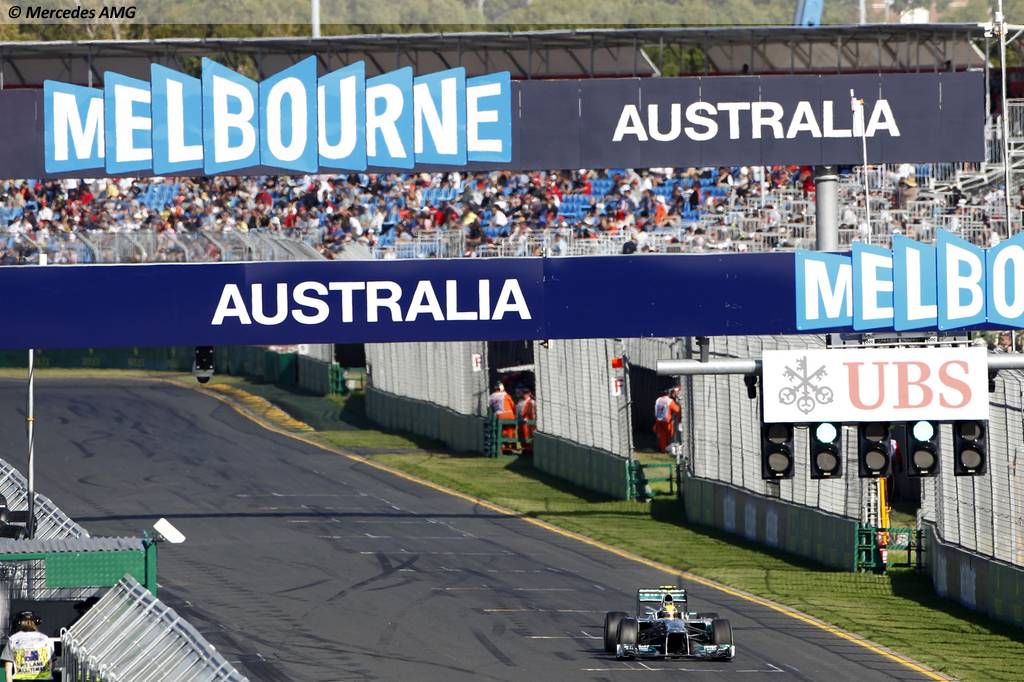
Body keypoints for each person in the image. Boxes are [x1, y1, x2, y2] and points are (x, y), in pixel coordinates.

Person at [2, 610, 53, 681]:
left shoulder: (13, 639)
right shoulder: (45, 638)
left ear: (18, 623)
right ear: (36, 623)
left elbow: (8, 669)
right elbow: (52, 663)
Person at [652, 388, 681, 452]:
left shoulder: (658, 399)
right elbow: (677, 410)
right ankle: (668, 448)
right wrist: (679, 405)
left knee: (661, 436)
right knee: (670, 435)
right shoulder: (669, 401)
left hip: (658, 420)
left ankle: (663, 449)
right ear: (669, 394)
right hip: (667, 421)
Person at [516, 388, 536, 455]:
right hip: (521, 422)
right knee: (520, 436)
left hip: (529, 423)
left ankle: (529, 450)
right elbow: (517, 412)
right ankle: (521, 449)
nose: (525, 394)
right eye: (524, 393)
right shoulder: (520, 402)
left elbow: (533, 413)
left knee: (528, 436)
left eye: (526, 393)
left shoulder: (532, 402)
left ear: (529, 393)